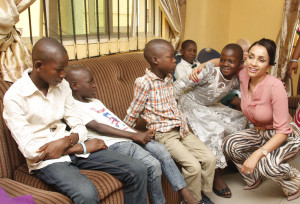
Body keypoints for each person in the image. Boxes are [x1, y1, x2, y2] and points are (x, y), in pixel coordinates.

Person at [2, 37, 148, 204]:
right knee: (86, 194)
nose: (63, 75)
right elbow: (31, 151)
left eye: (64, 69)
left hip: (72, 146)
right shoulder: (15, 97)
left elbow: (79, 125)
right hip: (49, 161)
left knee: (137, 169)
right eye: (58, 70)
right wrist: (81, 147)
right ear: (38, 66)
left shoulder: (62, 85)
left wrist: (68, 141)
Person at [65, 65, 199, 204]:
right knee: (153, 165)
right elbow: (98, 127)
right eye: (90, 82)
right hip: (114, 143)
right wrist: (133, 136)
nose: (95, 85)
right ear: (75, 85)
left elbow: (117, 122)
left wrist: (139, 133)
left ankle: (186, 195)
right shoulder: (73, 106)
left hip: (126, 136)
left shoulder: (95, 101)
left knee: (161, 150)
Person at [124, 39, 216, 204]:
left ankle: (200, 193)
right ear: (155, 60)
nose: (175, 60)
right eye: (171, 57)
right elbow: (134, 111)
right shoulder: (144, 83)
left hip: (180, 129)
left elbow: (173, 105)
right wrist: (123, 133)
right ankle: (193, 200)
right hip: (164, 135)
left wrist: (185, 125)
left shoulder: (168, 78)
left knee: (209, 158)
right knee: (193, 166)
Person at [222, 38, 300, 201]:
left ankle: (294, 180)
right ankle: (255, 176)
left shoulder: (275, 86)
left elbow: (282, 132)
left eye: (261, 60)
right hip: (261, 132)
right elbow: (223, 61)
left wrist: (257, 155)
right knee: (229, 143)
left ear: (269, 65)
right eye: (251, 57)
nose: (254, 63)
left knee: (267, 164)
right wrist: (201, 65)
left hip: (286, 136)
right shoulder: (244, 73)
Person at [173, 44, 248, 198]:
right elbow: (179, 85)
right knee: (216, 129)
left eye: (231, 61)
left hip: (209, 106)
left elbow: (256, 82)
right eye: (223, 60)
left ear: (239, 64)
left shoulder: (237, 78)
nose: (226, 64)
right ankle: (216, 176)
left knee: (240, 119)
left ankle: (232, 159)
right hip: (190, 104)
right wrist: (170, 109)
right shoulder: (207, 71)